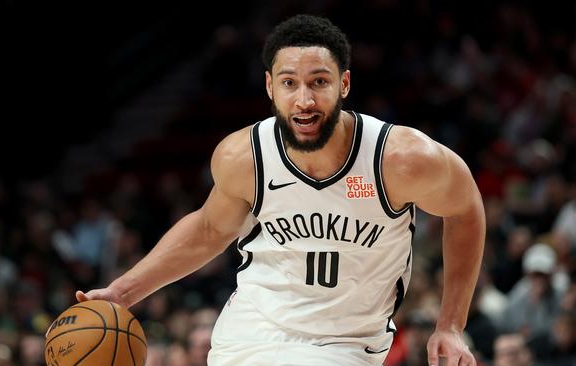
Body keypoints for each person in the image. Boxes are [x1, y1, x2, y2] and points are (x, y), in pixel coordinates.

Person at [76, 14, 485, 366]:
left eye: (318, 82)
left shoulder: (400, 158)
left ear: (344, 84)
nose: (304, 99)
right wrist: (122, 292)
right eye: (290, 83)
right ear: (271, 87)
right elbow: (209, 230)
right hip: (253, 328)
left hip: (346, 343)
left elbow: (465, 210)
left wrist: (450, 323)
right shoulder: (245, 156)